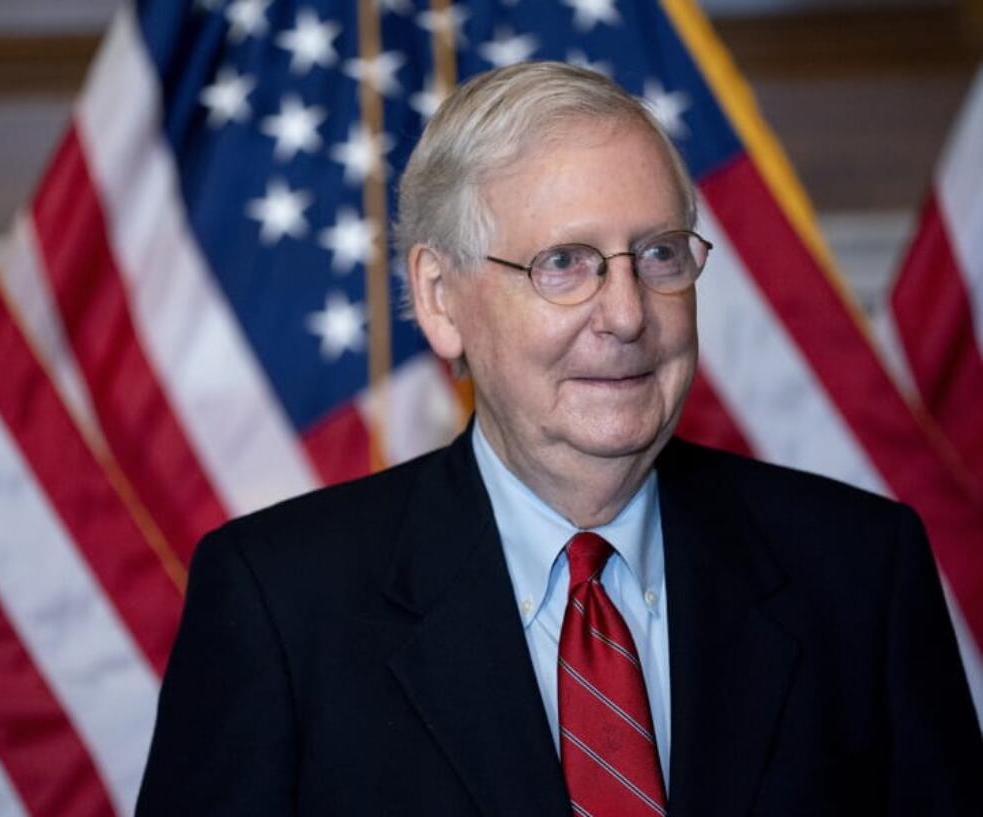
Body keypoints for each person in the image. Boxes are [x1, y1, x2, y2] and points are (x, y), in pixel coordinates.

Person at [135, 62, 982, 816]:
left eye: (657, 254)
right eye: (565, 264)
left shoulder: (859, 571)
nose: (625, 315)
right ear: (440, 298)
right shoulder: (278, 605)